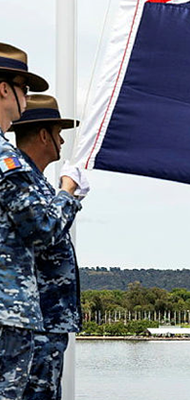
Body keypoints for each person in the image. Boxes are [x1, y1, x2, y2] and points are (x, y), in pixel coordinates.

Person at [0, 43, 81, 399]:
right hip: (11, 313)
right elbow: (42, 230)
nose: (25, 98)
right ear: (5, 88)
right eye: (23, 88)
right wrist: (68, 192)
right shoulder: (8, 162)